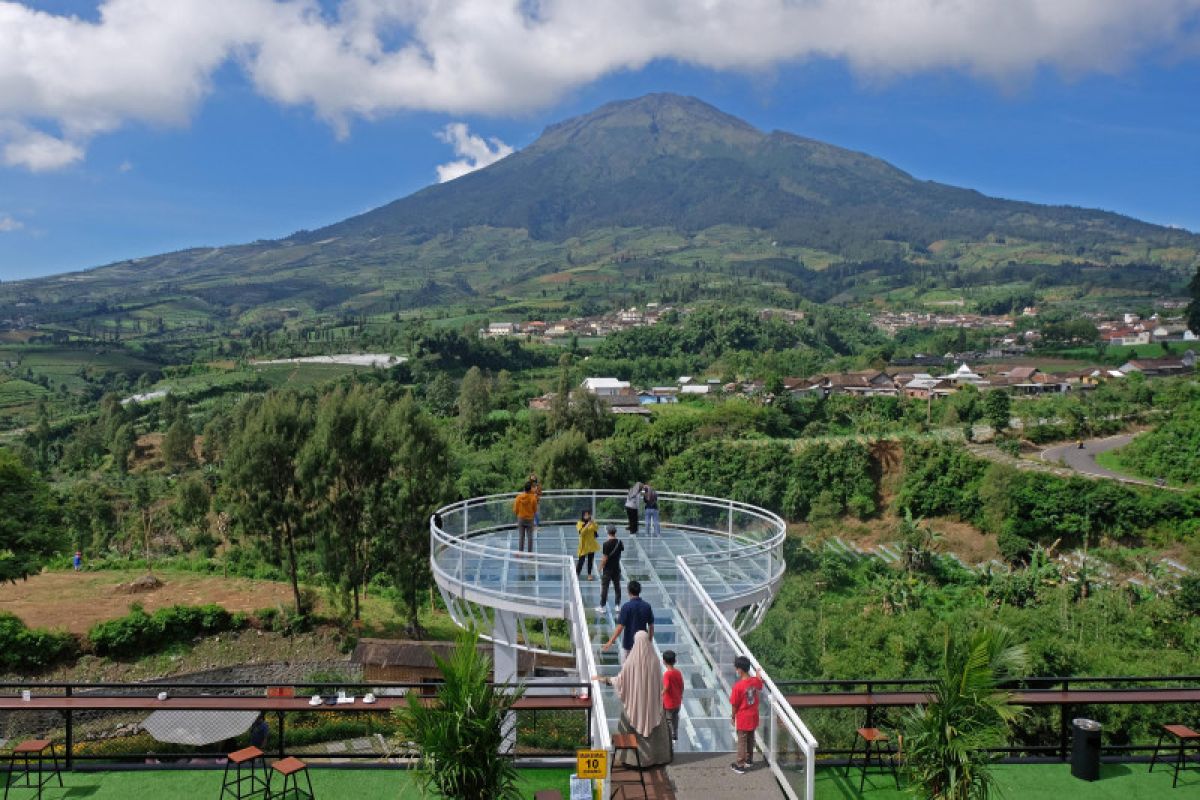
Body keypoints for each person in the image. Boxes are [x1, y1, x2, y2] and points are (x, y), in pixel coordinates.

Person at [592, 630, 673, 767]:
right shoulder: (654, 660)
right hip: (653, 704)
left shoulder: (631, 662)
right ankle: (656, 759)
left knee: (630, 726)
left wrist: (602, 679)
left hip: (634, 705)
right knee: (656, 729)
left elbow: (620, 680)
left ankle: (632, 761)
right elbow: (659, 683)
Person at [729, 655, 766, 774]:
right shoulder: (754, 681)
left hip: (743, 717)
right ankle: (749, 759)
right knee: (751, 737)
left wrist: (733, 716)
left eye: (736, 668)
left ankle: (740, 764)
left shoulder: (738, 687)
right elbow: (760, 683)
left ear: (740, 670)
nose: (736, 671)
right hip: (753, 715)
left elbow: (734, 704)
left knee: (742, 740)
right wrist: (758, 675)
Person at [603, 579, 654, 665]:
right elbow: (651, 626)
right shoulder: (647, 606)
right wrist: (649, 642)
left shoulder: (626, 607)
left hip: (628, 644)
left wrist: (610, 641)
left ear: (629, 591)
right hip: (642, 645)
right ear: (639, 591)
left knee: (626, 672)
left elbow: (620, 627)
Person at [597, 526, 624, 612]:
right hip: (616, 568)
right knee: (617, 587)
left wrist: (600, 567)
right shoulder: (619, 542)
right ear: (615, 532)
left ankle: (602, 606)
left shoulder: (606, 544)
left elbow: (605, 558)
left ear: (608, 533)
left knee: (605, 587)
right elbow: (620, 552)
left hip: (607, 569)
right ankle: (617, 606)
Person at [662, 650, 683, 742]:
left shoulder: (667, 674)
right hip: (677, 702)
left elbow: (666, 687)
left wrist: (660, 694)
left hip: (668, 702)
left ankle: (670, 736)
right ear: (675, 661)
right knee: (675, 718)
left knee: (669, 719)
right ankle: (675, 734)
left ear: (664, 661)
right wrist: (680, 695)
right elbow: (682, 686)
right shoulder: (678, 672)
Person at [513, 481, 539, 553]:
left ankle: (520, 552)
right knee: (530, 536)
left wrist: (518, 514)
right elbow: (535, 509)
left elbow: (515, 509)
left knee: (521, 536)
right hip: (530, 519)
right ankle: (530, 553)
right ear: (530, 489)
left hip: (521, 518)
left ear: (524, 488)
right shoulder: (533, 498)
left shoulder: (519, 497)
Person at [576, 509, 600, 580]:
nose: (587, 516)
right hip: (583, 545)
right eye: (585, 515)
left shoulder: (592, 522)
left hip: (591, 544)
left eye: (588, 514)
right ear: (583, 515)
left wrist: (592, 523)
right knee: (581, 561)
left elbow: (596, 528)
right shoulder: (579, 523)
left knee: (590, 560)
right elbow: (582, 533)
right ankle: (577, 574)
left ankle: (589, 574)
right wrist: (587, 525)